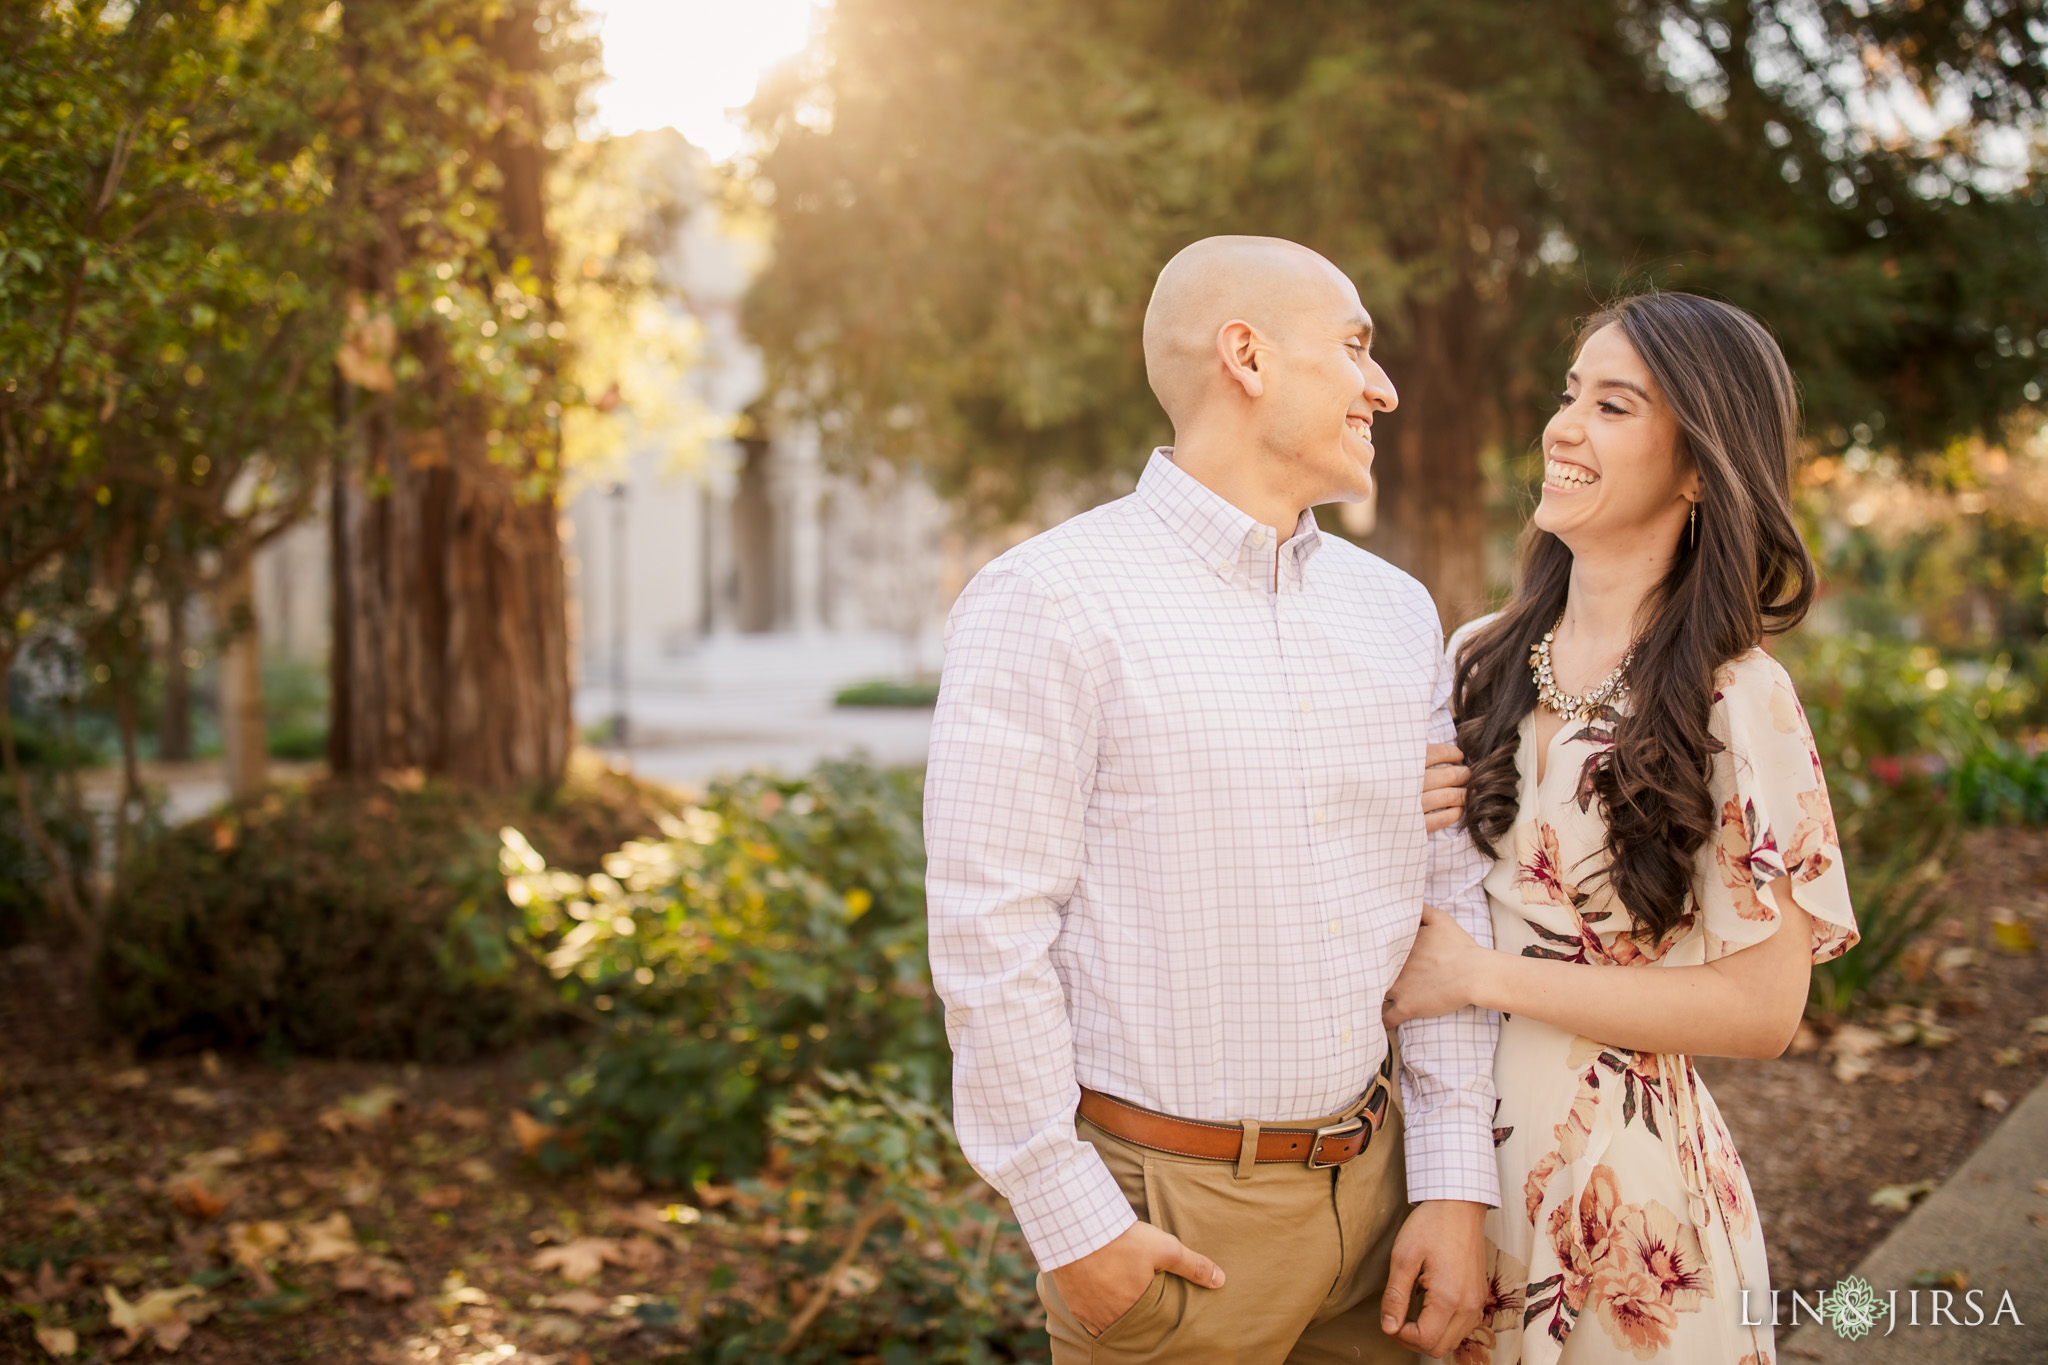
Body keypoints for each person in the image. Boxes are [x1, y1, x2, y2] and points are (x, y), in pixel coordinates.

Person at [925, 234, 1499, 1364]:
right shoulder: (1047, 599)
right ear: (1245, 356)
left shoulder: (1394, 611)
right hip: (1173, 1224)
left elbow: (1445, 901)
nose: (1380, 386)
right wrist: (1070, 1222)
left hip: (1381, 1204)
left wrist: (1449, 1182)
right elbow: (989, 931)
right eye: (1351, 347)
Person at [1383, 292, 1859, 1365]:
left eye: (1611, 406)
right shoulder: (1475, 656)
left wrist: (1483, 979)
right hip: (1438, 1172)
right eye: (1567, 396)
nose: (1561, 426)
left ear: (1697, 467)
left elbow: (1761, 1009)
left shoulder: (1738, 698)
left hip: (1623, 1208)